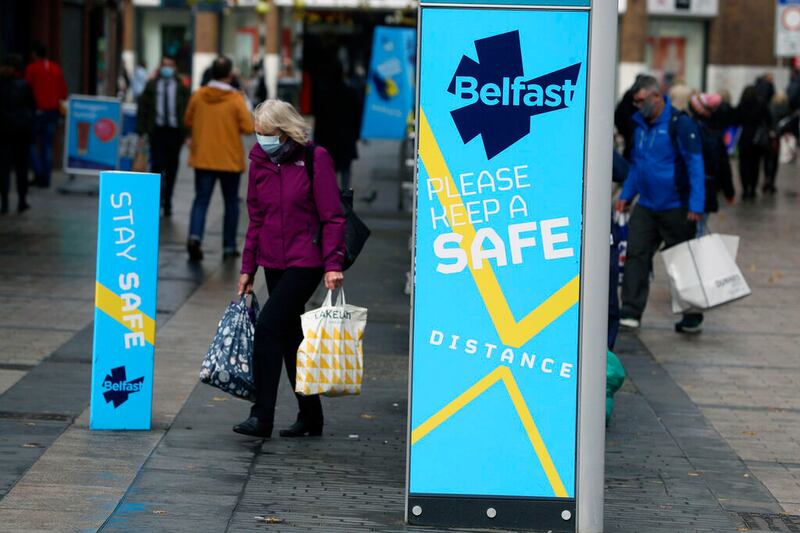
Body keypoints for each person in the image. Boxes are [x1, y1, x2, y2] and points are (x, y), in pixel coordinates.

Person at [233, 99, 346, 438]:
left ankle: (261, 416)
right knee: (291, 337)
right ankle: (311, 416)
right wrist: (247, 268)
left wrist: (333, 264)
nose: (260, 139)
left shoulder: (314, 158)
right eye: (257, 133)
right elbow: (256, 219)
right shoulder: (259, 162)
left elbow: (332, 215)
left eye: (266, 133)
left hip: (306, 260)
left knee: (268, 327)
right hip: (273, 259)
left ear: (283, 132)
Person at [615, 75, 705, 334]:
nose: (638, 106)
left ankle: (691, 314)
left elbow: (695, 164)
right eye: (635, 101)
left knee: (682, 260)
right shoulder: (639, 127)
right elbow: (637, 165)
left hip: (677, 205)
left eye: (641, 100)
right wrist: (626, 195)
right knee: (636, 254)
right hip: (647, 205)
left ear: (656, 96)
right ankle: (630, 311)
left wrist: (696, 205)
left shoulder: (680, 124)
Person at [184, 56, 254, 261]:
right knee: (231, 203)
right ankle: (229, 246)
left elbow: (188, 119)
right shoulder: (235, 99)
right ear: (230, 75)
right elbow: (249, 127)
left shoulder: (198, 96)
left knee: (201, 201)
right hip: (229, 160)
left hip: (203, 158)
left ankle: (195, 236)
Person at [136, 55, 190, 217]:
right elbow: (143, 108)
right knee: (156, 166)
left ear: (175, 68)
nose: (167, 68)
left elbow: (187, 111)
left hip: (175, 132)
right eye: (164, 65)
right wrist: (142, 131)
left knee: (172, 167)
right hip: (157, 131)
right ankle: (156, 199)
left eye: (170, 65)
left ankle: (168, 200)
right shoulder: (152, 85)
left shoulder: (181, 87)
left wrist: (187, 134)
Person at [313, 62, 361, 190]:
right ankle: (345, 200)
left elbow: (320, 120)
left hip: (329, 140)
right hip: (346, 138)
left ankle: (332, 200)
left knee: (330, 171)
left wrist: (317, 141)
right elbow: (357, 116)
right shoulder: (350, 92)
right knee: (345, 171)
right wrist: (356, 135)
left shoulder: (324, 94)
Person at [25, 42, 67, 188]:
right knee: (47, 145)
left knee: (29, 142)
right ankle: (46, 177)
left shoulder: (32, 69)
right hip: (53, 111)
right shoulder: (56, 69)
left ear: (35, 54)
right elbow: (63, 91)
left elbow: (26, 90)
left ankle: (38, 171)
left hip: (37, 111)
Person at [0, 54, 35, 214]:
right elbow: (32, 107)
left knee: (4, 169)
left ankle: (5, 202)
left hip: (5, 133)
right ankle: (21, 201)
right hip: (21, 133)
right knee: (21, 169)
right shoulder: (24, 86)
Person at [736, 85, 771, 200]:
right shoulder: (761, 104)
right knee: (755, 165)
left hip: (744, 137)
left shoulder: (741, 105)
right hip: (757, 138)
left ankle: (745, 188)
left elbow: (735, 120)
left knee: (743, 164)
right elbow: (768, 120)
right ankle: (752, 188)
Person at [764, 91, 790, 194]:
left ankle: (767, 177)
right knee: (774, 159)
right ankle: (772, 181)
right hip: (778, 137)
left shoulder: (769, 107)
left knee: (767, 158)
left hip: (769, 136)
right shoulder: (785, 109)